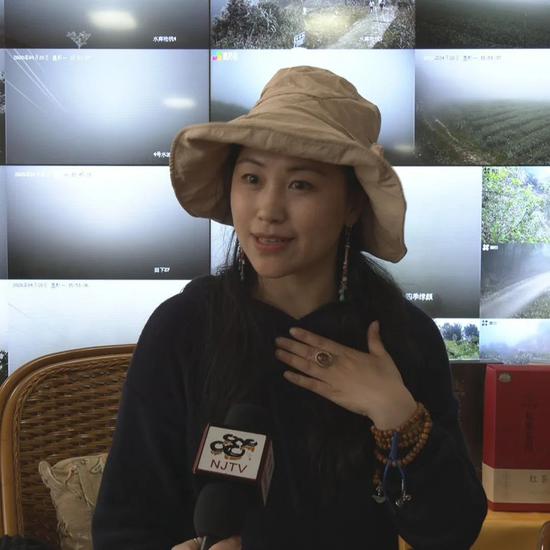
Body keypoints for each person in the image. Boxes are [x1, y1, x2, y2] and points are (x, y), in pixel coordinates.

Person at [92, 66, 487, 549]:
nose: (268, 210)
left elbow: (451, 533)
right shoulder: (184, 327)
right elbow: (124, 526)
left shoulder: (403, 336)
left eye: (301, 185)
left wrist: (394, 412)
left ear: (352, 205)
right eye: (252, 178)